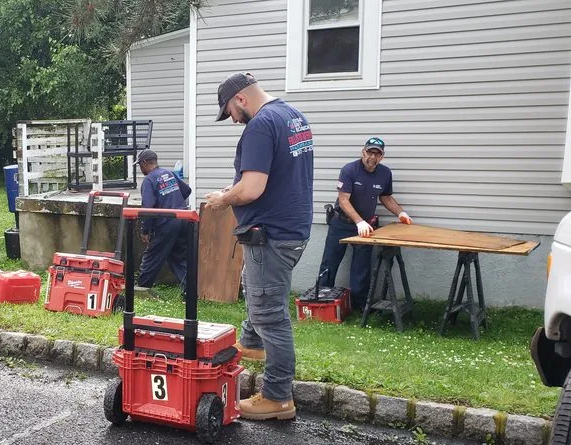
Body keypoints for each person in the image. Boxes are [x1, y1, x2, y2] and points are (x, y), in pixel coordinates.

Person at [204, 72, 313, 421]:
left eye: (230, 113)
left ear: (241, 99)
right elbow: (273, 174)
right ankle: (251, 343)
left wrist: (223, 200)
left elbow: (252, 189)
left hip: (271, 233)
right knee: (257, 288)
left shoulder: (261, 125)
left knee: (270, 312)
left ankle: (278, 397)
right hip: (292, 227)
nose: (233, 120)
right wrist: (232, 187)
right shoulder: (292, 116)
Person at [318, 137, 413, 310]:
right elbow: (343, 200)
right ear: (363, 152)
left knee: (361, 267)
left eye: (377, 154)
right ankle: (321, 301)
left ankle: (359, 305)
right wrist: (359, 221)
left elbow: (386, 197)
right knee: (330, 262)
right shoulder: (349, 170)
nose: (373, 157)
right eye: (370, 152)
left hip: (365, 227)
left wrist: (401, 213)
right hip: (341, 223)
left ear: (382, 156)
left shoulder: (385, 173)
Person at [135, 148, 191, 292]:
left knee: (152, 256)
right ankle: (190, 291)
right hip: (184, 219)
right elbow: (187, 190)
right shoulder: (169, 173)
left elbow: (148, 207)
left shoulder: (149, 180)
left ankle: (141, 290)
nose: (140, 168)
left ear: (145, 162)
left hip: (166, 223)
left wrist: (145, 230)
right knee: (179, 257)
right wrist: (173, 200)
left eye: (140, 165)